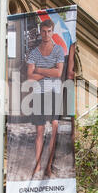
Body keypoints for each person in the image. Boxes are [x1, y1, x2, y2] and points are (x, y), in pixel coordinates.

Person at [27, 19, 65, 179]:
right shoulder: (34, 53)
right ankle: (38, 166)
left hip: (54, 93)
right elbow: (29, 77)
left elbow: (58, 73)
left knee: (55, 127)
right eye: (43, 31)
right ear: (40, 31)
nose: (46, 34)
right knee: (40, 131)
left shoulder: (58, 50)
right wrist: (50, 70)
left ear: (52, 32)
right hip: (38, 93)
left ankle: (48, 166)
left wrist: (40, 70)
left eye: (49, 31)